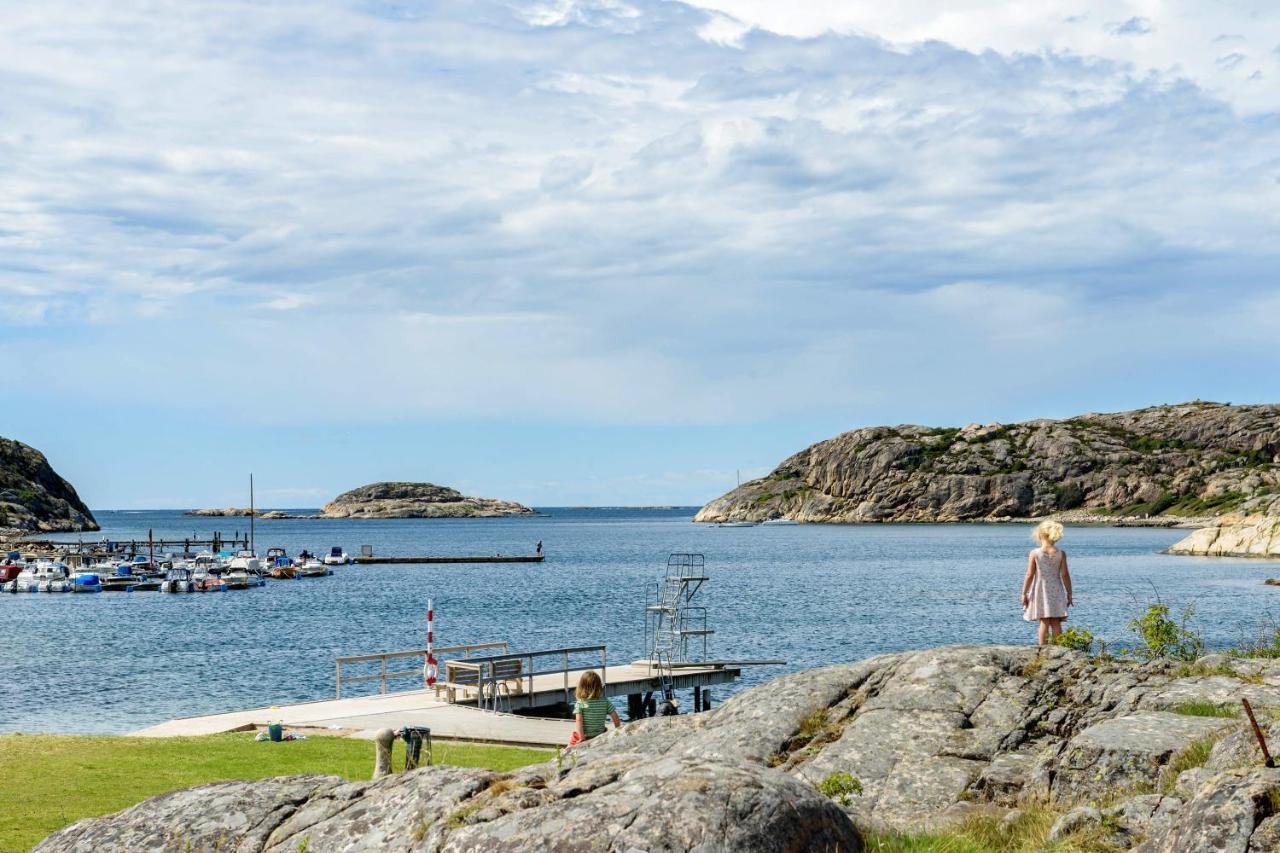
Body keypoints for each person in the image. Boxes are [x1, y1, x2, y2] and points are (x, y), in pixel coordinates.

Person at [1021, 519, 1073, 645]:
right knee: (1056, 621)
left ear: (1040, 535)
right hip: (1057, 589)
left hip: (1040, 590)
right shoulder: (1061, 554)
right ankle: (1059, 649)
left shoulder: (1035, 553)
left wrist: (1024, 593)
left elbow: (1029, 574)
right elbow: (1065, 575)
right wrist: (1069, 593)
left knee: (1044, 621)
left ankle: (1042, 650)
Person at [566, 670, 621, 747]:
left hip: (585, 736)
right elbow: (615, 716)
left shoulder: (581, 703)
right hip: (599, 735)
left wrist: (582, 738)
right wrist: (617, 730)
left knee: (569, 748)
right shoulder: (605, 701)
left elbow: (579, 720)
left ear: (581, 687)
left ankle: (564, 754)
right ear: (599, 687)